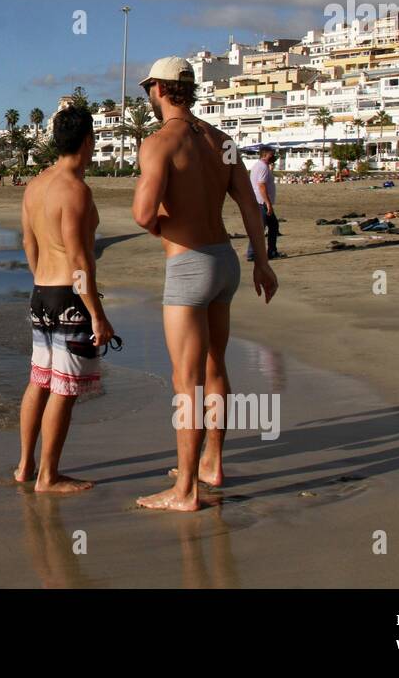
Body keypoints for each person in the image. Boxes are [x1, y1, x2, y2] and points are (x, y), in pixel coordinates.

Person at [131, 57, 278, 512]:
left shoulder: (158, 143)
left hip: (189, 267)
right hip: (226, 263)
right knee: (216, 368)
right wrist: (264, 262)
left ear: (157, 89)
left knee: (186, 383)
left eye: (149, 90)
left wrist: (161, 230)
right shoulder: (224, 142)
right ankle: (211, 464)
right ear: (189, 90)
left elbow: (142, 212)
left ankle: (186, 491)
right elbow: (251, 206)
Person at [16, 104, 114, 494]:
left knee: (39, 380)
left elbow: (28, 241)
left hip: (41, 292)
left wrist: (42, 279)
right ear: (88, 141)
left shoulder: (35, 185)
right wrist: (97, 314)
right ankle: (49, 476)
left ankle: (26, 465)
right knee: (64, 388)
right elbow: (78, 259)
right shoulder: (74, 190)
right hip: (69, 297)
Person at [245, 145, 282, 261]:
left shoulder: (260, 166)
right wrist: (268, 203)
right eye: (272, 154)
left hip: (261, 202)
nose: (274, 156)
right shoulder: (262, 167)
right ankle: (253, 254)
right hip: (262, 203)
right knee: (260, 229)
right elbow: (261, 186)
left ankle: (271, 251)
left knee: (272, 226)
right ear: (265, 155)